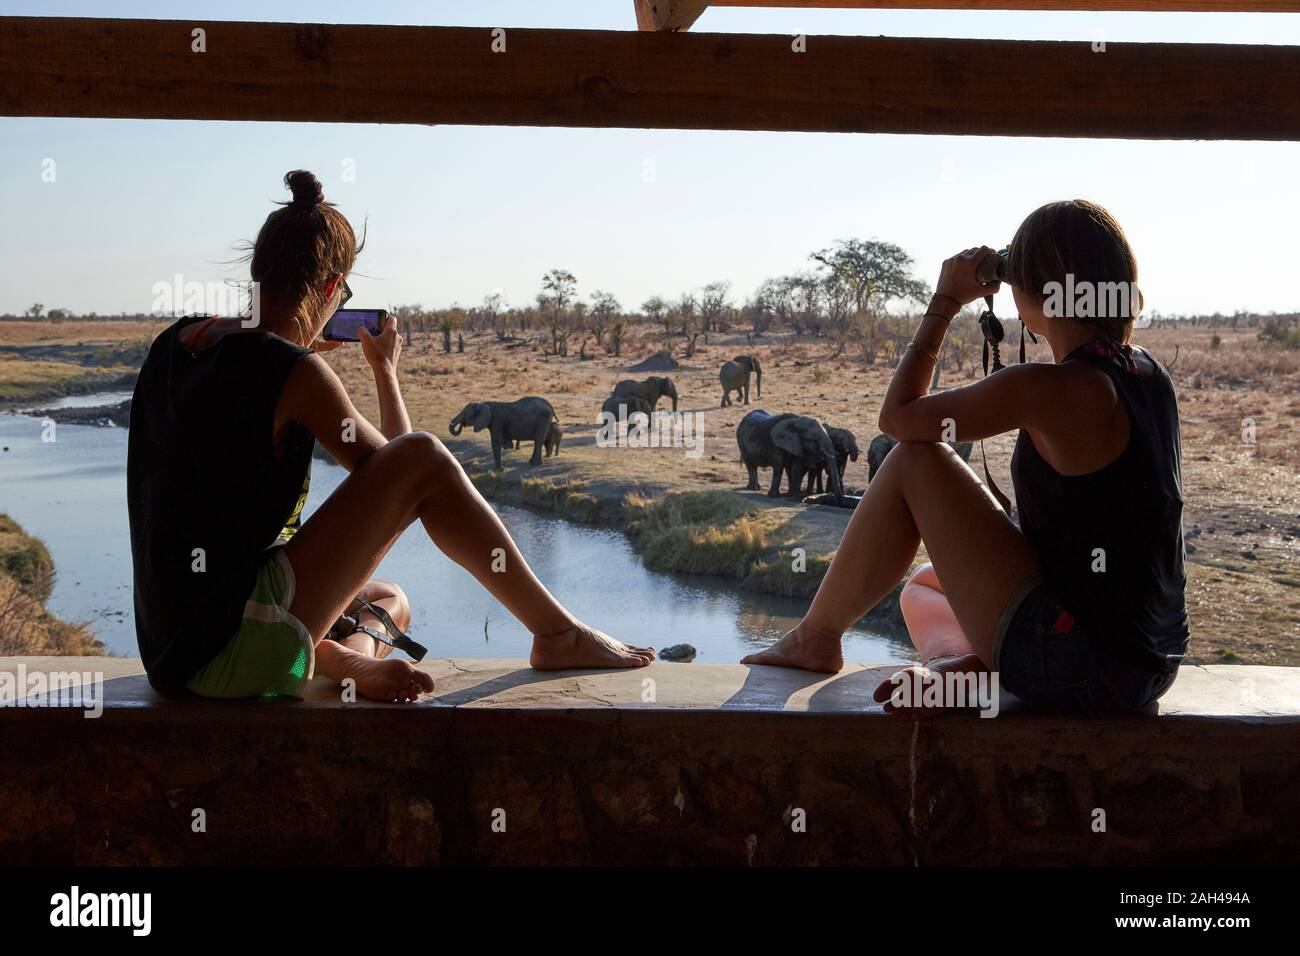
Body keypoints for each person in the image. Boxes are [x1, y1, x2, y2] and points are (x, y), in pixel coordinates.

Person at [128, 170, 653, 703]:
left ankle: (332, 655)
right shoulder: (294, 372)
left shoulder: (180, 342)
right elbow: (412, 475)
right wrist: (384, 372)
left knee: (388, 599)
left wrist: (307, 354)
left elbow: (390, 476)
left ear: (256, 271)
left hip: (169, 652)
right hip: (226, 657)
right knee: (425, 455)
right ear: (333, 288)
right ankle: (557, 634)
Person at [742, 200, 1188, 716]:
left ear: (1036, 293)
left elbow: (898, 417)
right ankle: (965, 663)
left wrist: (946, 301)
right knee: (923, 586)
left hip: (1076, 669)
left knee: (914, 459)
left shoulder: (1054, 387)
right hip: (1147, 664)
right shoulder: (1147, 375)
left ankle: (815, 638)